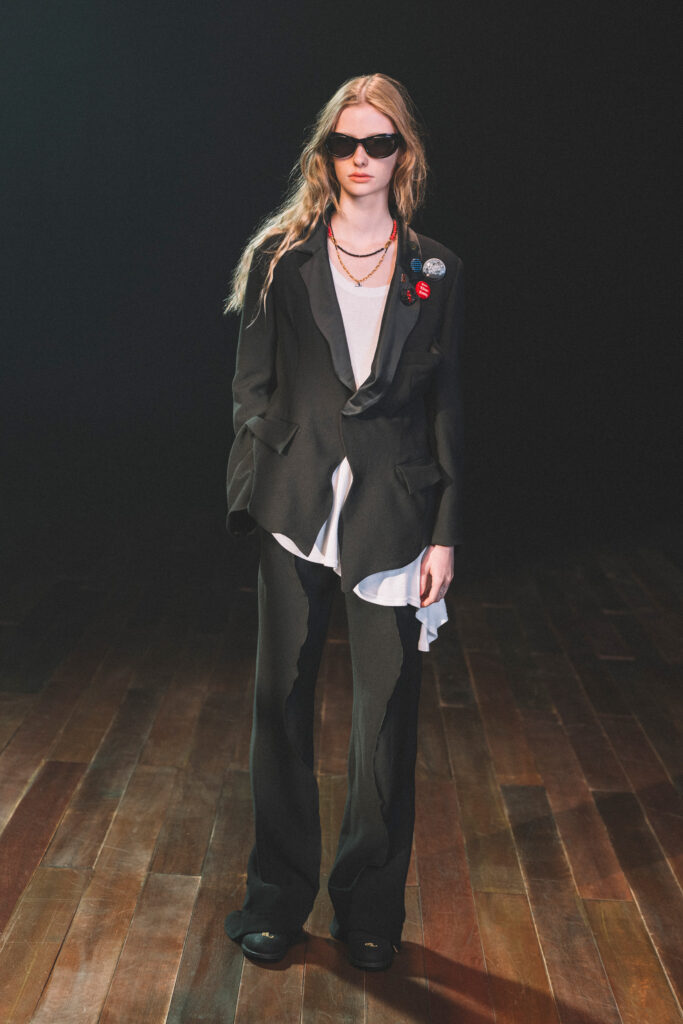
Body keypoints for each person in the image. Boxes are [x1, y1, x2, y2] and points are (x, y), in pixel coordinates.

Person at [222, 72, 464, 972]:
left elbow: (447, 405)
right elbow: (251, 385)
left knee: (386, 719)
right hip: (296, 509)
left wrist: (445, 529)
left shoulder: (435, 268)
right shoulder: (280, 258)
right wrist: (257, 481)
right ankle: (276, 900)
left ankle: (369, 911)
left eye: (379, 143)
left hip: (394, 515)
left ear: (404, 153)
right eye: (345, 143)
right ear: (324, 152)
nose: (361, 158)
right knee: (280, 706)